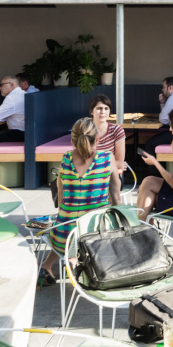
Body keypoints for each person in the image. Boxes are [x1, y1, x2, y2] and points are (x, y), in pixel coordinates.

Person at [39, 118, 119, 284]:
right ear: (97, 138)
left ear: (72, 141)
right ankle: (79, 264)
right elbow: (116, 197)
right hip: (95, 237)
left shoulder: (66, 158)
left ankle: (49, 264)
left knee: (68, 224)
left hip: (64, 237)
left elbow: (61, 199)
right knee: (97, 221)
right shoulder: (107, 158)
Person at [142, 76, 173, 160]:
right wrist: (162, 103)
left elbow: (162, 119)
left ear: (170, 87)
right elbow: (165, 117)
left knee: (149, 144)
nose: (162, 89)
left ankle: (155, 172)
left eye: (163, 87)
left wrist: (162, 104)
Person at [89, 94, 127, 177]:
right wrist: (111, 164)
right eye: (99, 108)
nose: (103, 112)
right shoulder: (85, 130)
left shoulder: (117, 130)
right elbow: (79, 160)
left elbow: (119, 163)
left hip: (109, 176)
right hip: (87, 175)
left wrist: (93, 166)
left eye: (106, 109)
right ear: (92, 111)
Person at [0, 76, 26, 144]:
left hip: (18, 134)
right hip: (26, 133)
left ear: (11, 85)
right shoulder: (23, 93)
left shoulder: (11, 98)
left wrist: (6, 117)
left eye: (2, 85)